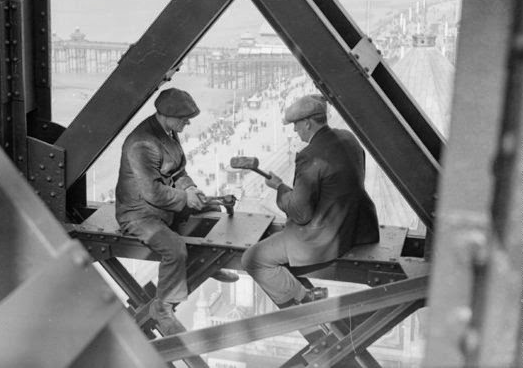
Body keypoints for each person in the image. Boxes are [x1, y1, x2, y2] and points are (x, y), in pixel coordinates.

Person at [115, 88, 238, 332]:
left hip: (162, 206)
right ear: (166, 115)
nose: (188, 122)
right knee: (174, 249)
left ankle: (205, 265)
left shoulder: (167, 131)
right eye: (183, 118)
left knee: (212, 211)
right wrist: (185, 199)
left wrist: (191, 189)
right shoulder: (142, 143)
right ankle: (163, 307)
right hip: (139, 213)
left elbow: (177, 171)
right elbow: (152, 192)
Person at [241, 94, 379, 307]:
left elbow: (300, 213)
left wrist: (279, 189)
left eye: (296, 125)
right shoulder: (348, 138)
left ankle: (303, 298)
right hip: (358, 228)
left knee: (253, 259)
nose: (295, 130)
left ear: (307, 123)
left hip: (324, 239)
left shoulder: (309, 155)